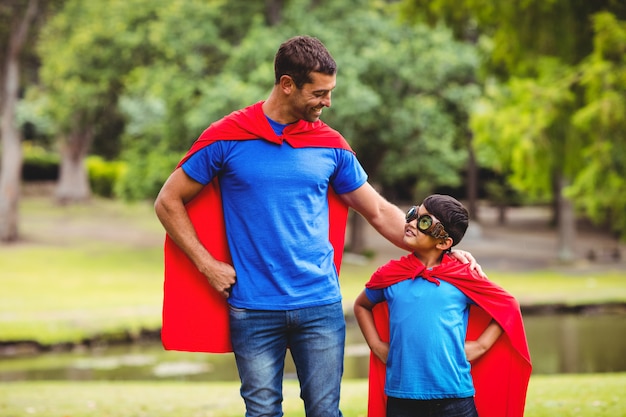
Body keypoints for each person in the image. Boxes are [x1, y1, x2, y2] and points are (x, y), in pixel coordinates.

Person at [154, 36, 482, 417]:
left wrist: (437, 245)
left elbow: (376, 210)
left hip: (320, 306)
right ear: (287, 85)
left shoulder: (330, 145)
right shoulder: (229, 137)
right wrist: (207, 264)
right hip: (253, 307)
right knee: (261, 413)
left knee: (326, 412)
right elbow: (168, 201)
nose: (328, 102)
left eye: (331, 92)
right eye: (320, 92)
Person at [353, 194, 532, 417]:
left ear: (444, 242)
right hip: (401, 399)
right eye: (413, 214)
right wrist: (376, 344)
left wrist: (481, 345)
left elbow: (508, 305)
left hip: (455, 399)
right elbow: (362, 305)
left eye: (424, 221)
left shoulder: (461, 275)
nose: (410, 223)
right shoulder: (391, 275)